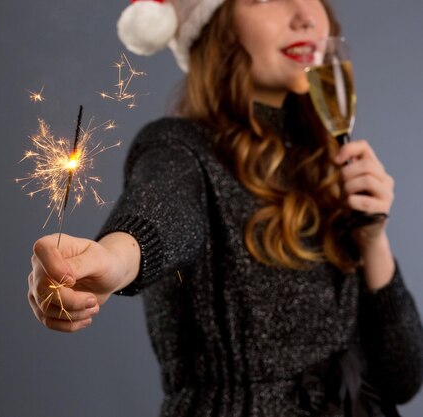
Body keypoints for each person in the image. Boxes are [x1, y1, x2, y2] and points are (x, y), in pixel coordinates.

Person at [27, 0, 423, 415]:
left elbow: (403, 377)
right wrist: (112, 259)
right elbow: (160, 210)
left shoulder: (322, 164)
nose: (305, 15)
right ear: (216, 28)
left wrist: (373, 240)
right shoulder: (181, 149)